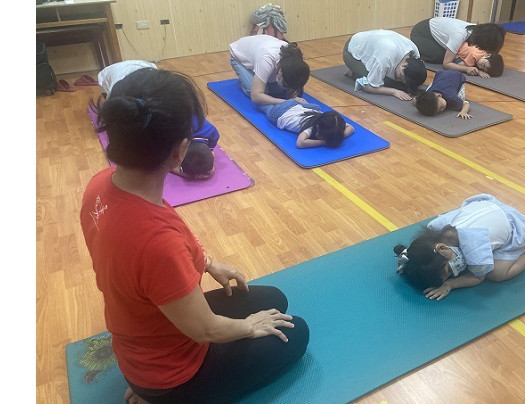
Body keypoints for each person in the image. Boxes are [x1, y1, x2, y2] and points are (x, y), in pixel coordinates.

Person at [80, 67, 309, 403]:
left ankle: (149, 386)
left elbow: (154, 251)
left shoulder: (100, 184)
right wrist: (250, 326)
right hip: (173, 378)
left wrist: (208, 263)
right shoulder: (157, 242)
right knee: (297, 332)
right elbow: (206, 329)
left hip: (145, 335)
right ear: (180, 151)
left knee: (274, 299)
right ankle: (157, 396)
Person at [394, 193, 525, 301]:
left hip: (512, 227)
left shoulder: (474, 249)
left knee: (497, 274)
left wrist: (449, 284)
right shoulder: (434, 228)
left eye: (448, 270)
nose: (453, 274)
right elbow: (421, 255)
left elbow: (478, 277)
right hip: (485, 207)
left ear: (442, 248)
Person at [98, 60, 221, 147]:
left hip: (145, 66)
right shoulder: (116, 91)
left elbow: (211, 132)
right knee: (117, 112)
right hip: (110, 73)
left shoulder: (177, 108)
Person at [229, 34, 310, 111]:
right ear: (280, 73)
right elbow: (256, 96)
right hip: (239, 56)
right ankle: (243, 81)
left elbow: (295, 83)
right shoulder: (266, 59)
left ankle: (257, 78)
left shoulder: (297, 59)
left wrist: (294, 97)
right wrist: (285, 102)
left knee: (278, 91)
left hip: (260, 47)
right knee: (263, 93)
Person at [343, 29, 427, 101]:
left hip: (375, 42)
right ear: (404, 65)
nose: (399, 79)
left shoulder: (414, 54)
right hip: (352, 48)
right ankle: (353, 72)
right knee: (386, 82)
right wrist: (394, 92)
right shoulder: (385, 59)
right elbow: (368, 87)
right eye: (401, 77)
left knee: (401, 84)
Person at [410, 17, 506, 78]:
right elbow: (446, 64)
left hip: (437, 32)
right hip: (422, 34)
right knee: (442, 57)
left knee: (452, 54)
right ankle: (414, 49)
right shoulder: (459, 35)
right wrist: (466, 69)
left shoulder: (478, 31)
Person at [264, 99, 354, 148]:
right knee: (265, 107)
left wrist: (338, 137)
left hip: (293, 104)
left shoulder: (325, 119)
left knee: (317, 107)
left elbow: (351, 128)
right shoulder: (311, 128)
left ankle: (300, 101)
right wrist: (323, 142)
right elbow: (300, 143)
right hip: (278, 114)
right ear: (318, 129)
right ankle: (261, 103)